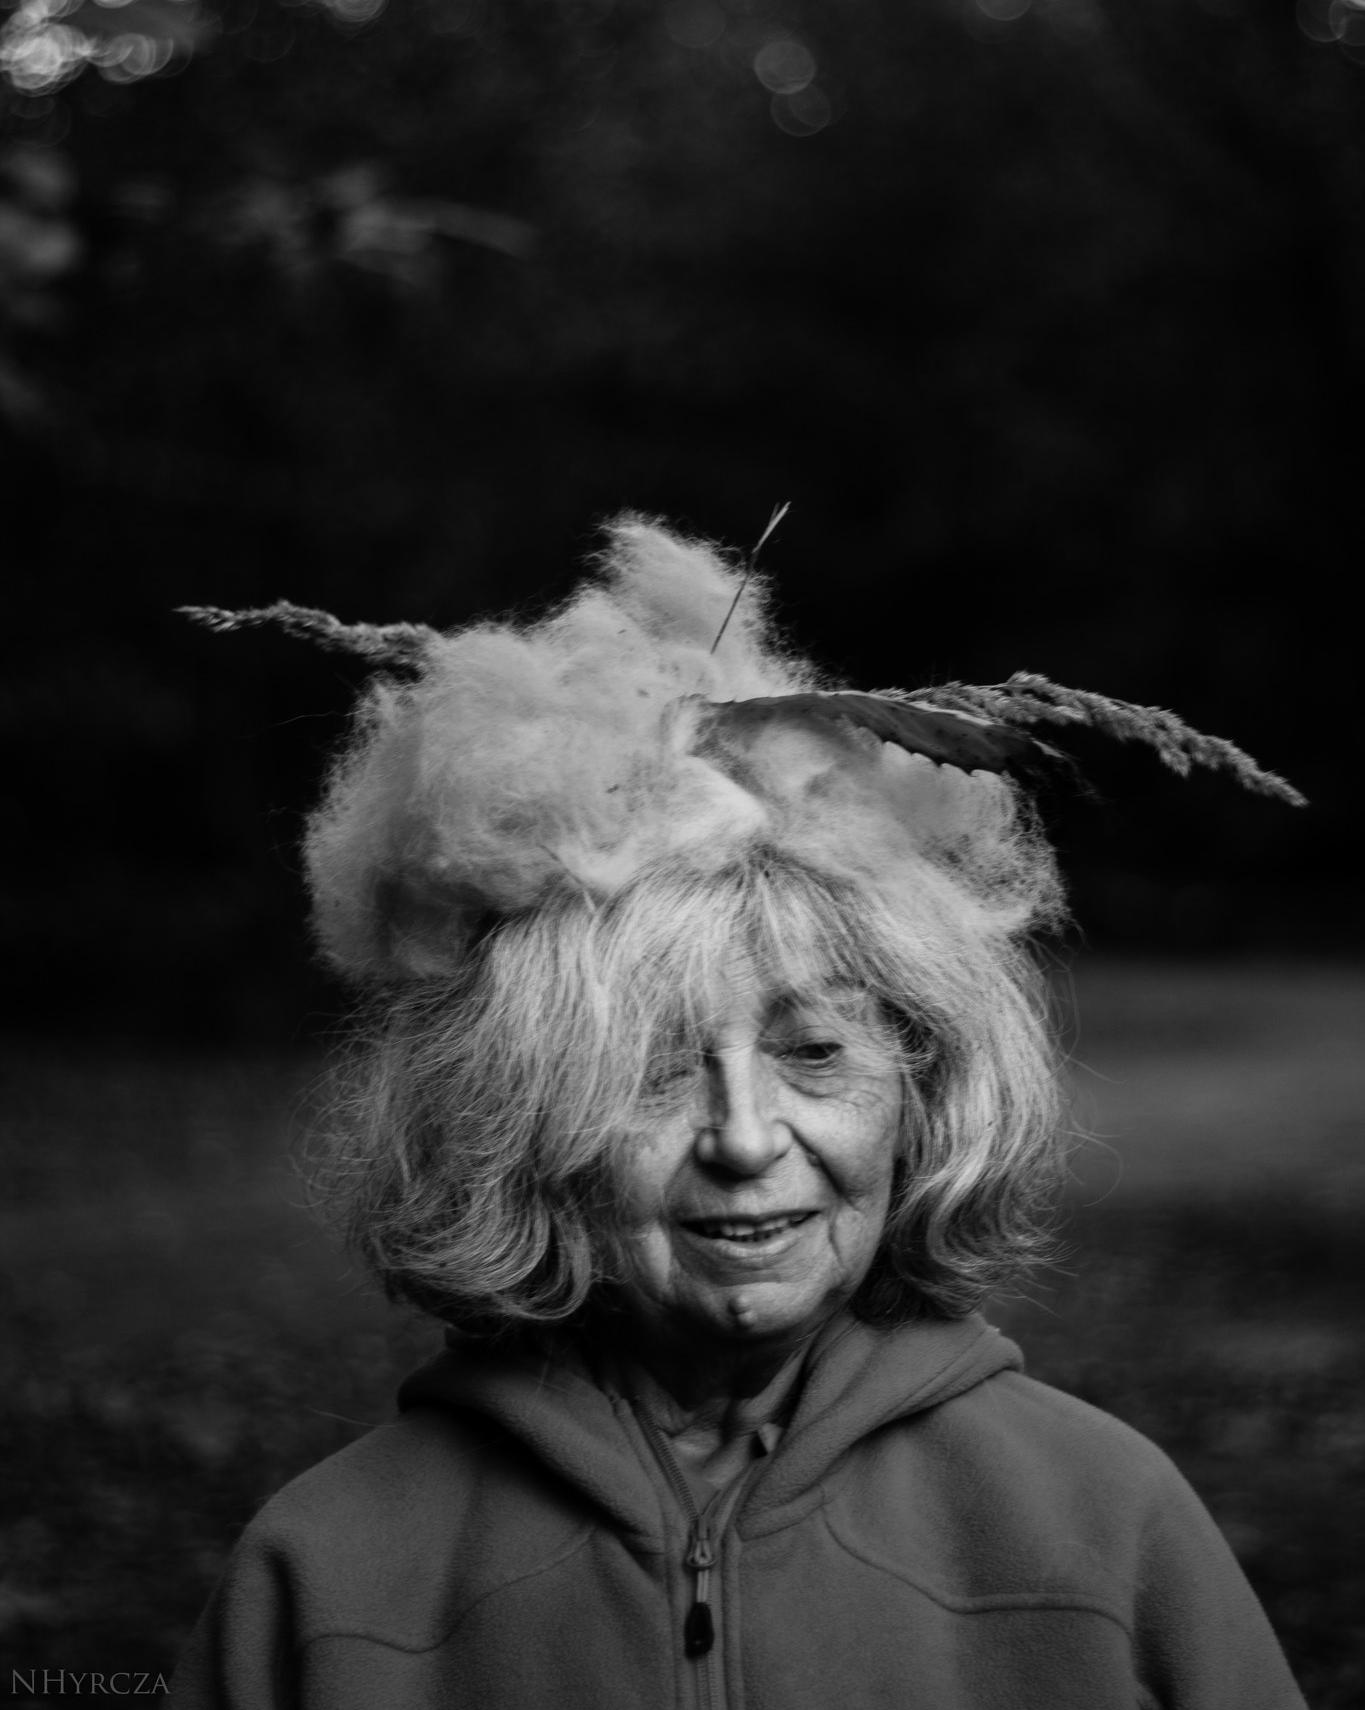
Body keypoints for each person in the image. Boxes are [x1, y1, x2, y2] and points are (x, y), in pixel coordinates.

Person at [170, 515, 1307, 1710]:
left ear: (925, 1087)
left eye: (815, 1051)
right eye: (655, 1070)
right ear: (516, 1124)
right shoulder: (327, 1575)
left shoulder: (1103, 1525)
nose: (748, 1138)